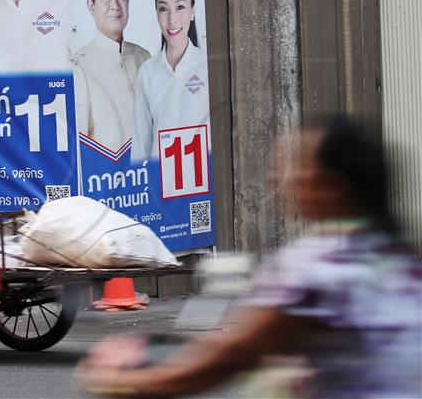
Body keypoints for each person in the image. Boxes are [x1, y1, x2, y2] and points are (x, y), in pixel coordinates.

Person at [77, 116, 422, 399]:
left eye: (296, 167)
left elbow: (228, 358)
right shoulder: (403, 259)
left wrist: (122, 381)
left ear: (331, 185)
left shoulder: (318, 265)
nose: (278, 178)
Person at [131, 0, 210, 161]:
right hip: (160, 185)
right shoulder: (147, 72)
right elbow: (141, 147)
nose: (172, 19)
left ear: (193, 11)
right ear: (156, 13)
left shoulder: (207, 67)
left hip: (205, 184)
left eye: (180, 7)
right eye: (163, 8)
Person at [73, 0, 150, 151]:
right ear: (92, 6)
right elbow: (77, 143)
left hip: (148, 173)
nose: (115, 4)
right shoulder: (79, 65)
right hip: (107, 175)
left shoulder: (143, 57)